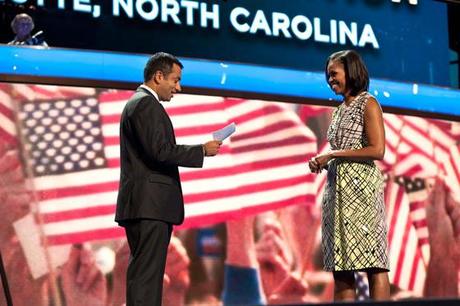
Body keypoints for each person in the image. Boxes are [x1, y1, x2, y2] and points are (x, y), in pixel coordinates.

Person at [115, 52, 222, 306]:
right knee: (147, 277)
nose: (178, 87)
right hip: (149, 207)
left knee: (145, 275)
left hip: (145, 206)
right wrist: (201, 150)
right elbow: (159, 151)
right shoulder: (145, 104)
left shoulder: (139, 103)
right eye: (175, 80)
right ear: (158, 76)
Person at [308, 50, 390, 301]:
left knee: (373, 263)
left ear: (351, 72)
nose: (330, 79)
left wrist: (333, 155)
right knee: (341, 267)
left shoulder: (369, 103)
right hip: (337, 193)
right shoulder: (338, 110)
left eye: (334, 74)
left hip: (362, 193)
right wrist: (322, 161)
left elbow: (377, 149)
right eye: (328, 75)